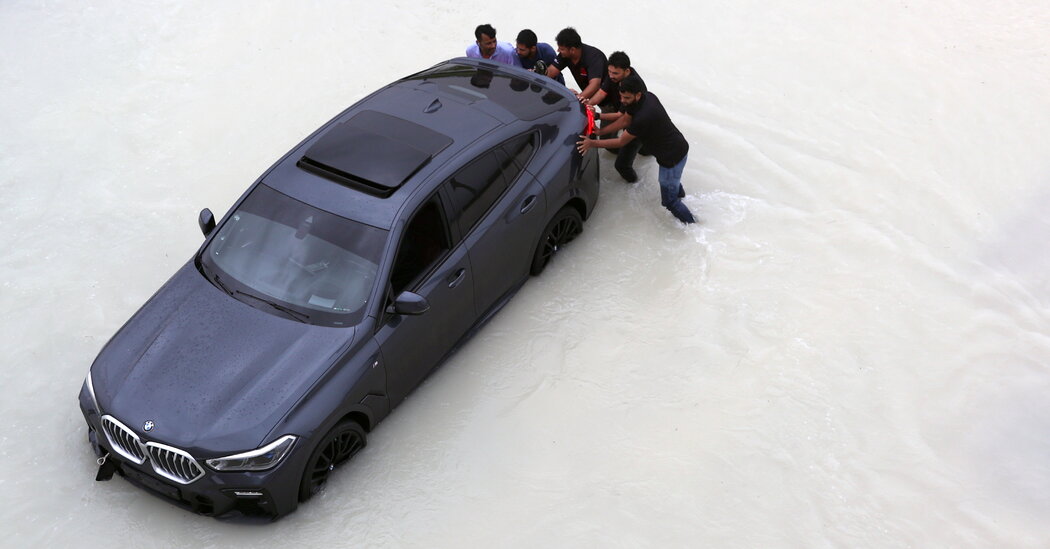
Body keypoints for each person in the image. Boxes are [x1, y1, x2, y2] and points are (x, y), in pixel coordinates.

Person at [577, 75, 696, 224]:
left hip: (672, 157)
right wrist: (600, 132)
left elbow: (621, 141)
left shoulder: (643, 117)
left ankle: (694, 226)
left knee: (669, 202)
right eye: (621, 96)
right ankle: (682, 197)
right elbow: (625, 120)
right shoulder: (647, 97)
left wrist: (592, 143)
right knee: (673, 183)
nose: (622, 101)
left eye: (626, 98)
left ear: (637, 95)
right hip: (676, 146)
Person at [587, 51, 645, 182]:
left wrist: (597, 115)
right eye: (609, 72)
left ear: (627, 71)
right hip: (622, 112)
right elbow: (602, 92)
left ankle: (635, 185)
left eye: (615, 73)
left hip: (636, 122)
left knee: (622, 165)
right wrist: (587, 105)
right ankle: (630, 151)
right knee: (609, 144)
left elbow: (622, 117)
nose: (611, 76)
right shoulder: (613, 74)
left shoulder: (634, 86)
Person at [545, 27, 607, 101]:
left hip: (609, 97)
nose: (558, 51)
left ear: (572, 50)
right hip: (590, 97)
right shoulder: (564, 55)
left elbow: (595, 84)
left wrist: (576, 100)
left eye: (561, 49)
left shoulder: (594, 57)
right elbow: (551, 72)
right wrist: (536, 73)